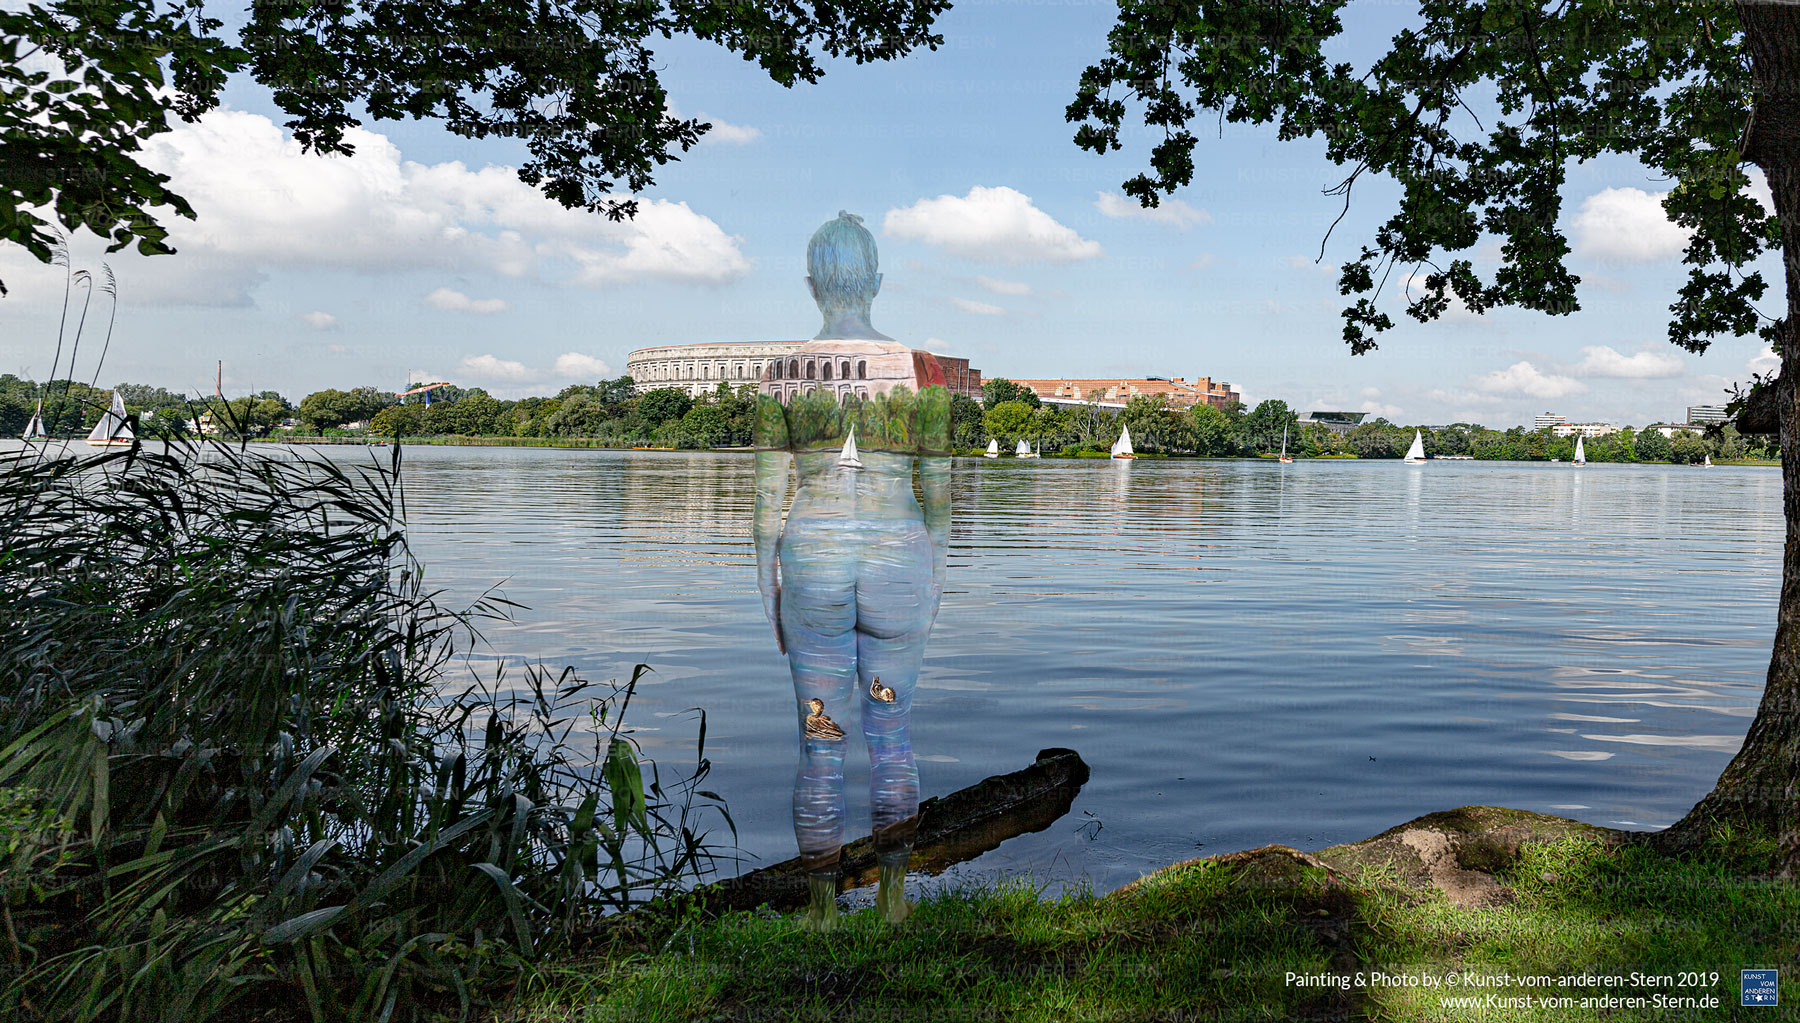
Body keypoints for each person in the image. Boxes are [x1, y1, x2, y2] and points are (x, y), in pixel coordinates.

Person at [754, 211, 951, 930]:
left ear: (812, 286)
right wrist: (936, 583)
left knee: (821, 736)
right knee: (892, 732)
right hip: (900, 565)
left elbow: (766, 507)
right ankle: (894, 904)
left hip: (813, 568)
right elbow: (941, 499)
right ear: (876, 280)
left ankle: (821, 910)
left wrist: (768, 594)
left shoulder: (779, 377)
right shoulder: (922, 372)